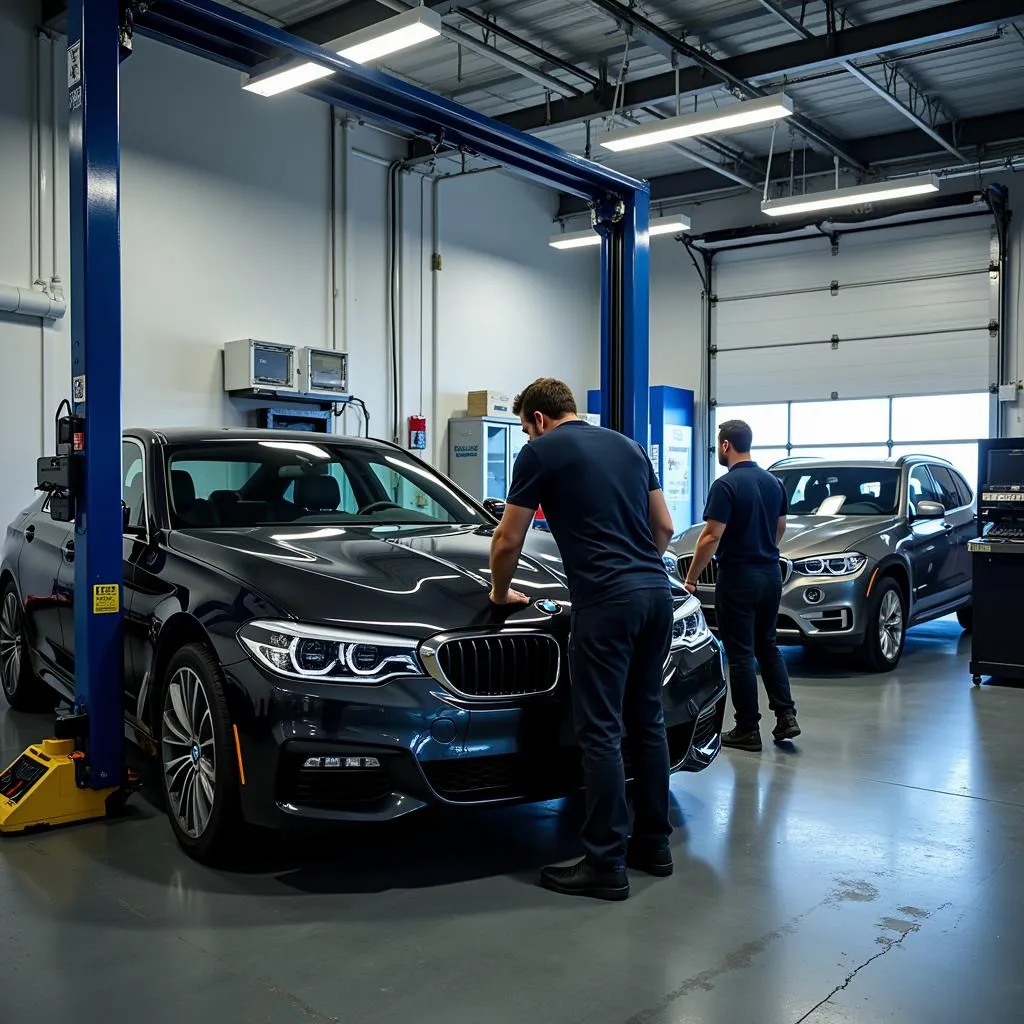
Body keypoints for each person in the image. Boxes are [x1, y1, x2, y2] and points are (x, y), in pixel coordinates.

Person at [488, 378, 676, 902]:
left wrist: (501, 591)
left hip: (606, 603)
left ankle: (604, 863)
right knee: (648, 723)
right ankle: (654, 847)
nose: (528, 435)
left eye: (526, 427)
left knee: (601, 731)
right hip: (654, 594)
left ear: (539, 420)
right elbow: (663, 526)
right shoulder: (628, 446)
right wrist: (636, 565)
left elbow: (508, 538)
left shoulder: (541, 452)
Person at [682, 420, 800, 752]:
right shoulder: (773, 482)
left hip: (739, 577)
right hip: (770, 574)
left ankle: (747, 728)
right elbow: (780, 528)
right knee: (768, 645)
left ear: (725, 446)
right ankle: (786, 716)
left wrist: (691, 578)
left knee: (740, 654)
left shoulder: (726, 485)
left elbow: (710, 536)